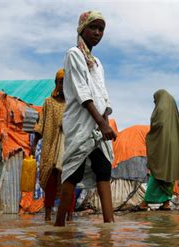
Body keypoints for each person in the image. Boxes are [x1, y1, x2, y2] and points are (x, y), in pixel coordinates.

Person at [54, 10, 116, 226]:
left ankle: (109, 225)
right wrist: (101, 123)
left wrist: (105, 123)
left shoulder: (97, 63)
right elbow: (82, 92)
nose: (97, 32)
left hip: (99, 126)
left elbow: (103, 96)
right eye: (93, 27)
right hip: (81, 124)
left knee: (104, 170)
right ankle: (59, 227)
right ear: (82, 29)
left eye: (101, 29)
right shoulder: (74, 54)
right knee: (73, 172)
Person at [140, 89, 179, 210]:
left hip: (161, 148)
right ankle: (166, 203)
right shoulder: (178, 120)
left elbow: (157, 126)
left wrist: (150, 136)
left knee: (157, 173)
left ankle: (146, 202)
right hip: (173, 150)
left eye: (155, 101)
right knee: (170, 174)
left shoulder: (160, 111)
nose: (155, 103)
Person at [31, 68, 73, 221]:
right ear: (56, 83)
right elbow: (40, 124)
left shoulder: (72, 104)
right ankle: (48, 215)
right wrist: (34, 144)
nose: (63, 85)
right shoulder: (48, 103)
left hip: (67, 147)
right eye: (60, 82)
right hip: (50, 145)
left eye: (65, 82)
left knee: (69, 180)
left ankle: (70, 215)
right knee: (50, 179)